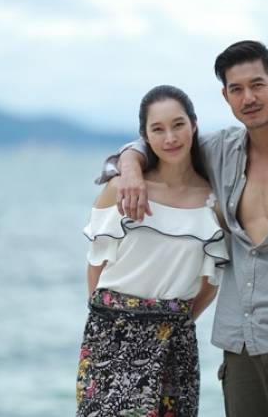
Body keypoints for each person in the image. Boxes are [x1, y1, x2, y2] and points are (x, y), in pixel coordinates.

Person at [99, 40, 268, 416]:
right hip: (240, 346)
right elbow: (163, 142)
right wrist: (130, 167)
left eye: (257, 84)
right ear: (225, 96)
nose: (249, 98)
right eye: (237, 89)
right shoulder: (219, 150)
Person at [76, 85, 229, 417]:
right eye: (157, 129)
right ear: (145, 137)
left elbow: (210, 284)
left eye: (178, 125)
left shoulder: (213, 203)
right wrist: (111, 320)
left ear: (194, 125)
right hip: (112, 337)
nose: (170, 138)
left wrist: (173, 318)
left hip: (176, 340)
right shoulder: (121, 189)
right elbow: (96, 265)